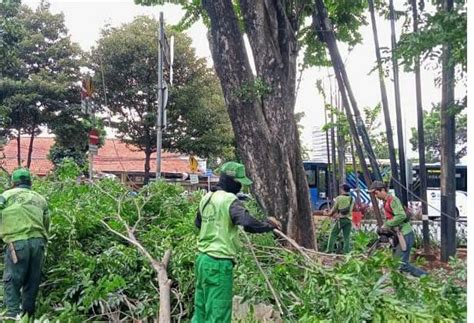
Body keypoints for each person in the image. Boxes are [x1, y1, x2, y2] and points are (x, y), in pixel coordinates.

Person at [192, 162, 281, 323]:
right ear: (231, 181)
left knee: (201, 310)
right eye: (239, 183)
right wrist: (268, 225)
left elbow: (198, 224)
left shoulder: (206, 198)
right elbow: (247, 222)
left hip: (202, 261)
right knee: (218, 314)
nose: (240, 187)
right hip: (219, 263)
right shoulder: (229, 200)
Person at [0, 168, 50, 321]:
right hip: (38, 243)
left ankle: (10, 317)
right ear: (30, 182)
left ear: (14, 182)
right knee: (32, 281)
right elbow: (46, 222)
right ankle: (28, 316)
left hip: (17, 242)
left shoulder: (6, 195)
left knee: (12, 280)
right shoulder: (41, 199)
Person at [369, 181, 428, 277]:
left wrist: (387, 224)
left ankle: (425, 277)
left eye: (376, 193)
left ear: (383, 190)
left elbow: (401, 216)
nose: (376, 196)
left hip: (405, 234)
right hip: (398, 235)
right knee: (396, 263)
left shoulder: (393, 200)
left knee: (402, 264)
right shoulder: (386, 201)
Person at [323, 184, 354, 254]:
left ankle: (329, 250)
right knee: (347, 237)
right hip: (348, 220)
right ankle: (346, 252)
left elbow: (334, 209)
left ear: (343, 189)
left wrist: (327, 214)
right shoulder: (352, 198)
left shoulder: (339, 198)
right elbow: (350, 210)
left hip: (341, 220)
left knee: (333, 234)